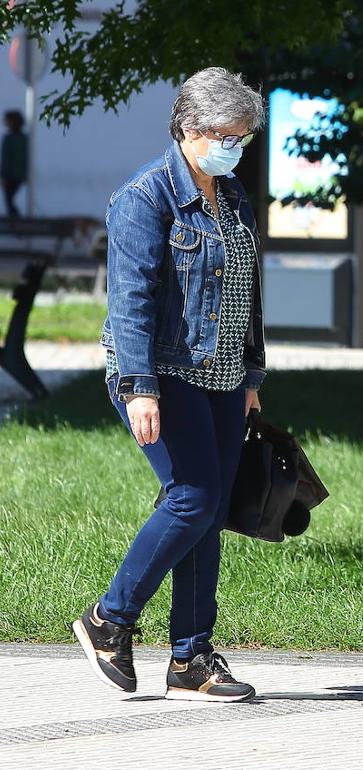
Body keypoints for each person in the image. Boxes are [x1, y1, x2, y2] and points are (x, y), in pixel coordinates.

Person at [71, 68, 268, 701]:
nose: (233, 146)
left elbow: (248, 295)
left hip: (223, 376)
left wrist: (251, 381)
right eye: (224, 134)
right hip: (162, 372)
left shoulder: (232, 196)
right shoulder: (144, 198)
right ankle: (108, 619)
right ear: (187, 127)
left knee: (207, 513)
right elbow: (129, 301)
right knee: (192, 499)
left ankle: (191, 659)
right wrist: (139, 387)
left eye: (242, 136)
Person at [1, 110, 29, 218]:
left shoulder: (11, 139)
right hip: (17, 175)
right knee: (9, 200)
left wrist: (3, 176)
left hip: (12, 175)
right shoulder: (22, 139)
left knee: (9, 200)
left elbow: (6, 159)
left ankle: (15, 220)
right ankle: (15, 218)